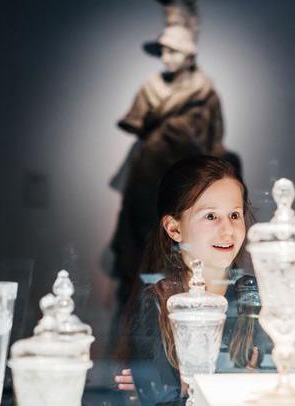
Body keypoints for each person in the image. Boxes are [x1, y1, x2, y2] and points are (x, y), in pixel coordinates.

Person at [115, 156, 267, 405]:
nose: (228, 230)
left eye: (235, 215)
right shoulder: (158, 302)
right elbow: (159, 398)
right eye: (210, 216)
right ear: (174, 228)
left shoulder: (257, 296)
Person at [109, 24, 229, 325]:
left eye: (172, 50)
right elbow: (136, 122)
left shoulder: (205, 90)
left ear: (189, 55)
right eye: (163, 50)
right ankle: (141, 318)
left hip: (187, 176)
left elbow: (215, 134)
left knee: (188, 245)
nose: (166, 57)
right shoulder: (152, 86)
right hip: (149, 171)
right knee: (142, 243)